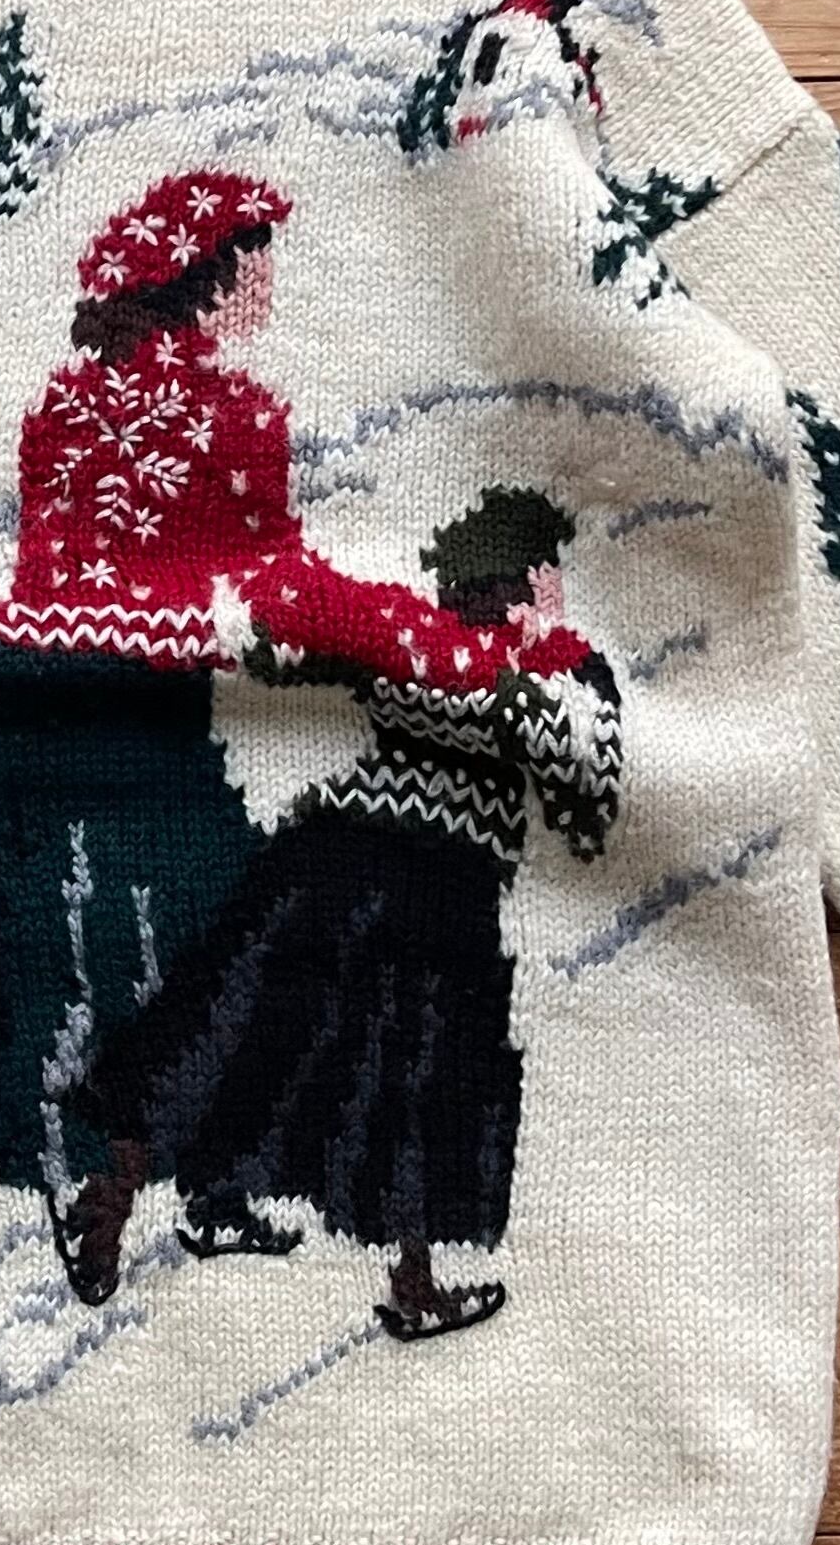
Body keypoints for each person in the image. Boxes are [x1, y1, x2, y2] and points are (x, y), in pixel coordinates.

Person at [0, 170, 546, 1293]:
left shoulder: (64, 404)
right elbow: (284, 588)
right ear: (211, 278)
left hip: (10, 685)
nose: (268, 282)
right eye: (256, 261)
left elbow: (84, 566)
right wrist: (438, 646)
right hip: (133, 703)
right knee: (202, 940)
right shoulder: (232, 419)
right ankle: (139, 1183)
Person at [54, 487, 622, 1341]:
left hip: (355, 862)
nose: (529, 595)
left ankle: (127, 1204)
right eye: (524, 579)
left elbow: (586, 783)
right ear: (524, 581)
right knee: (401, 1075)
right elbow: (584, 790)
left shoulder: (444, 646)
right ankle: (400, 1277)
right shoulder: (515, 666)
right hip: (416, 886)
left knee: (253, 1032)